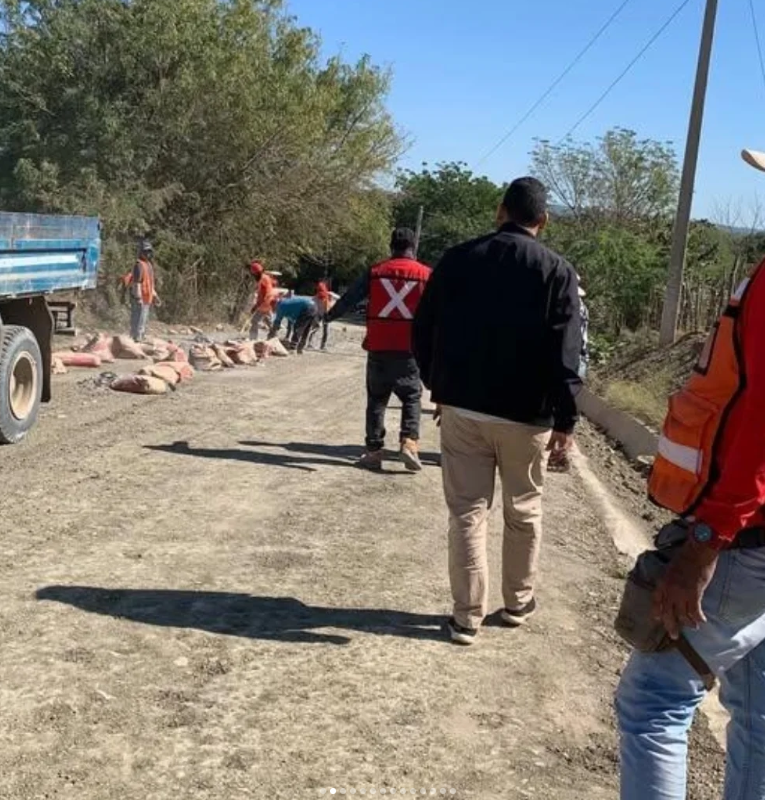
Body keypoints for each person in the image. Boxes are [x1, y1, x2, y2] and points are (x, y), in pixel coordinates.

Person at [615, 248, 765, 796]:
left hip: (746, 538)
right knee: (758, 715)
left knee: (653, 700)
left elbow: (759, 417)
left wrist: (704, 542)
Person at [412, 177, 582, 645]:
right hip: (528, 416)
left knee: (467, 512)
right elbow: (567, 353)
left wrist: (439, 387)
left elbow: (422, 330)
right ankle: (517, 602)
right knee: (524, 510)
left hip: (464, 409)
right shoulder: (557, 271)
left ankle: (466, 617)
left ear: (499, 211)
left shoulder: (457, 259)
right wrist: (566, 420)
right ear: (542, 221)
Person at [327, 228, 431, 472]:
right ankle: (409, 442)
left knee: (376, 399)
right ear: (414, 247)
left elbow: (349, 298)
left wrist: (329, 316)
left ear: (391, 246)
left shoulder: (375, 272)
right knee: (412, 397)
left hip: (378, 346)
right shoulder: (427, 275)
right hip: (410, 348)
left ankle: (373, 452)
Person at [122, 240, 160, 342]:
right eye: (145, 251)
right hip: (140, 298)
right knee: (137, 320)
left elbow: (149, 283)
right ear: (140, 252)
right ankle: (136, 339)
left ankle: (140, 336)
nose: (147, 254)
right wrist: (138, 297)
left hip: (147, 297)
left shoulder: (148, 265)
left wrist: (155, 295)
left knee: (143, 320)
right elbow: (137, 283)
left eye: (149, 251)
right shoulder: (139, 265)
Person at [249, 261, 276, 341]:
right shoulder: (266, 277)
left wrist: (256, 305)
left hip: (264, 304)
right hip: (268, 303)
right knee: (269, 321)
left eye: (254, 274)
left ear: (256, 273)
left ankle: (253, 339)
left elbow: (264, 294)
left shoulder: (263, 279)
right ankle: (274, 337)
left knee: (254, 321)